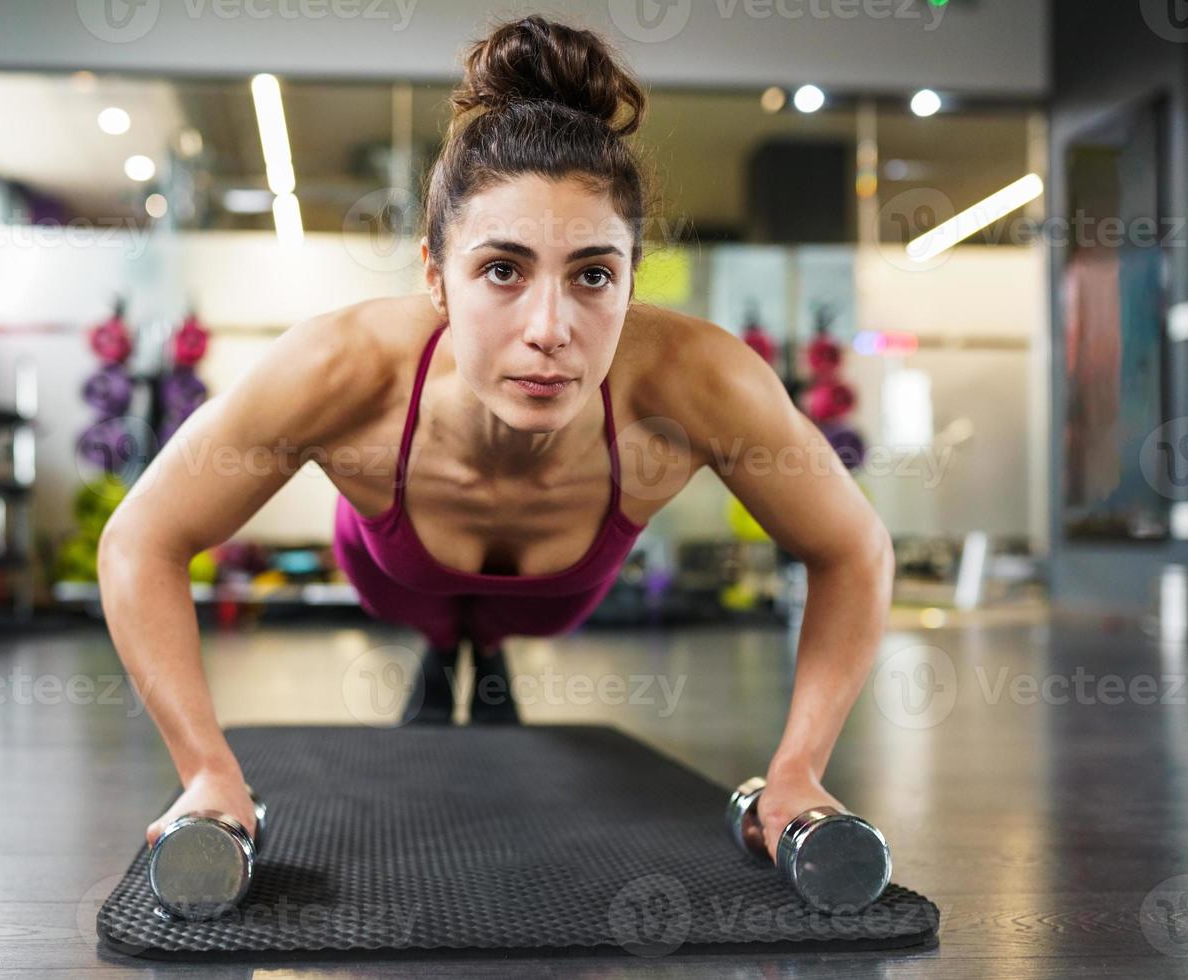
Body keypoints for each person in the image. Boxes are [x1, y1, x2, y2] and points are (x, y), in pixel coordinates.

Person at [98, 15, 893, 866]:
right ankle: (449, 647)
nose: (549, 329)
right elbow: (141, 540)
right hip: (393, 570)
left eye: (593, 274)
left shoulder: (700, 381)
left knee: (497, 627)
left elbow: (853, 550)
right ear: (436, 278)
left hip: (559, 596)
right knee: (440, 621)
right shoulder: (342, 367)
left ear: (631, 278)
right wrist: (206, 769)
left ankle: (477, 647)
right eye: (502, 270)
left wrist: (799, 770)